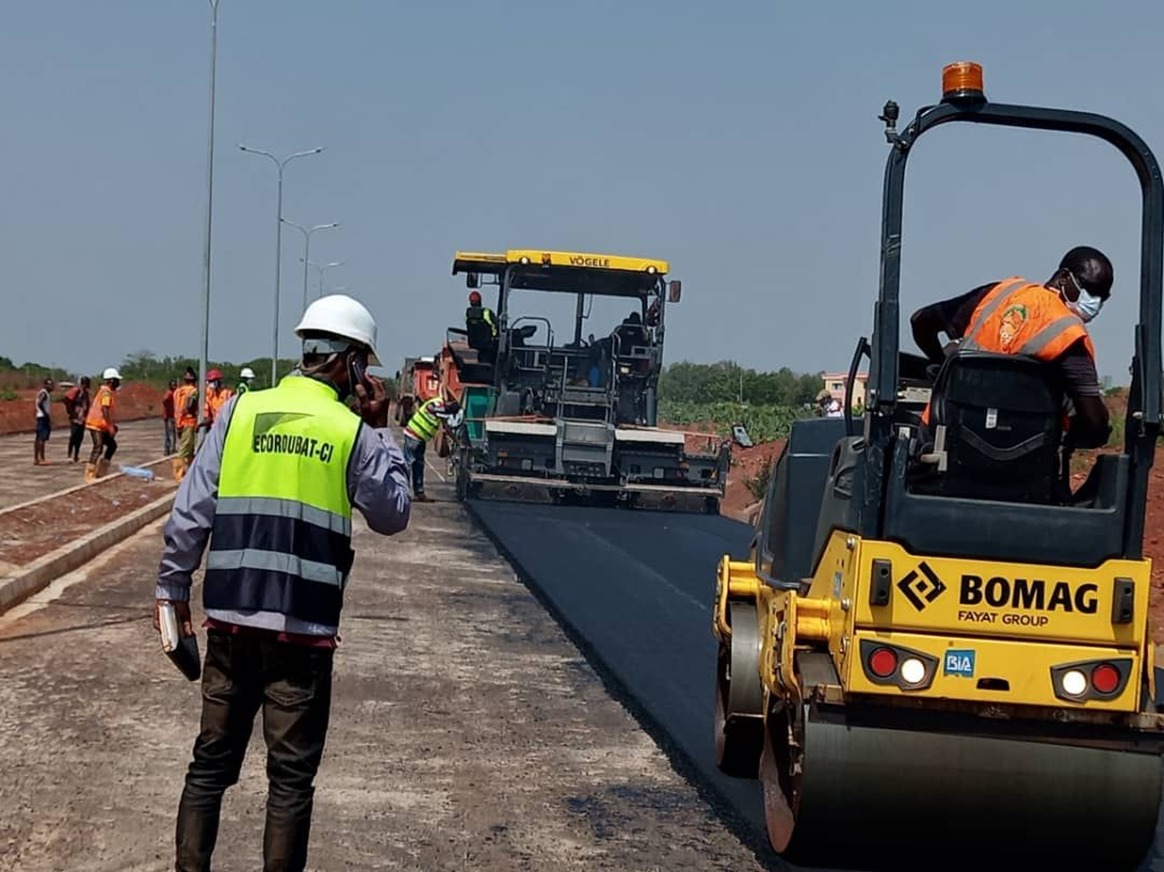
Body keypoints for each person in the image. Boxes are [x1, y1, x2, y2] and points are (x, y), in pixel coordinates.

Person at [154, 293, 411, 872]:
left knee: (209, 766)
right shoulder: (351, 432)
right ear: (352, 363)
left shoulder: (240, 413)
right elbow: (393, 514)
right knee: (290, 782)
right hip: (301, 635)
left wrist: (172, 590)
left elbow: (190, 514)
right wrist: (382, 430)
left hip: (230, 626)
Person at [910, 246, 1114, 449]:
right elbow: (1095, 423)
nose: (1095, 301)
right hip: (1024, 457)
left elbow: (920, 321)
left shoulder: (999, 293)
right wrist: (1071, 439)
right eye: (1091, 290)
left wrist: (944, 368)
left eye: (1103, 297)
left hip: (944, 440)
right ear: (1063, 278)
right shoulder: (1069, 334)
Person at [402, 395, 461, 502]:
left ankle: (419, 492)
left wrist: (457, 442)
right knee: (408, 463)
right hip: (413, 435)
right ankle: (403, 492)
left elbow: (446, 427)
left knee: (419, 465)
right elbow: (432, 409)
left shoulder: (443, 411)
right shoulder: (436, 403)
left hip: (422, 438)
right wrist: (447, 410)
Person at [84, 368, 121, 481]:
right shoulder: (106, 393)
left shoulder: (107, 392)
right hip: (96, 425)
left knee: (112, 446)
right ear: (111, 381)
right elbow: (105, 409)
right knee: (98, 447)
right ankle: (89, 475)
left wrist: (111, 425)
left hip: (102, 425)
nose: (118, 383)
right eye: (117, 381)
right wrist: (110, 427)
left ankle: (102, 471)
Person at [173, 368, 199, 482]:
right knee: (184, 450)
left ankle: (190, 472)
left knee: (188, 449)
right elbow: (190, 406)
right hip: (188, 421)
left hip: (179, 422)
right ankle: (178, 475)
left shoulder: (178, 391)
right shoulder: (193, 391)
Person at [63, 376, 91, 463]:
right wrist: (70, 411)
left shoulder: (86, 393)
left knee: (79, 437)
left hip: (82, 418)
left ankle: (76, 455)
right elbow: (66, 398)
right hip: (75, 417)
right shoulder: (76, 390)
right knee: (74, 435)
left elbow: (86, 405)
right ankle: (69, 454)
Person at [33, 377, 55, 466]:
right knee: (42, 438)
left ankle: (36, 459)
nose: (51, 387)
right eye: (50, 385)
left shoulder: (42, 393)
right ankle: (41, 459)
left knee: (38, 439)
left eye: (52, 385)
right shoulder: (44, 393)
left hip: (40, 417)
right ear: (45, 385)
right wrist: (46, 414)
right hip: (43, 417)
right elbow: (40, 403)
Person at [163, 379, 178, 456]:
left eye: (175, 385)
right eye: (173, 385)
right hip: (169, 416)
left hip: (171, 416)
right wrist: (167, 410)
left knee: (170, 433)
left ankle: (169, 449)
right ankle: (170, 449)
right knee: (170, 433)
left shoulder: (174, 393)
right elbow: (165, 400)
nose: (174, 386)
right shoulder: (169, 393)